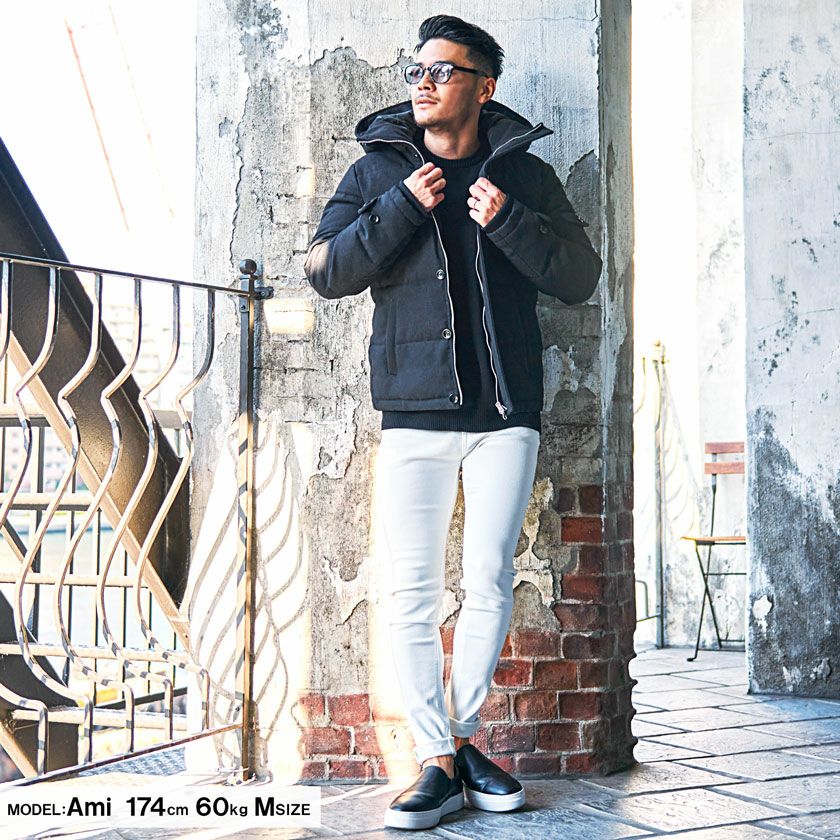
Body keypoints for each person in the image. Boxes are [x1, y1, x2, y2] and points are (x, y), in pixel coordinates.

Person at [305, 13, 602, 831]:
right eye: (418, 70)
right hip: (414, 414)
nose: (425, 82)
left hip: (506, 413)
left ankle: (458, 742)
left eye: (443, 70)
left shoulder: (525, 176)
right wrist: (401, 206)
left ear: (484, 85)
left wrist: (507, 219)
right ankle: (440, 758)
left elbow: (579, 277)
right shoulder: (379, 171)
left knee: (490, 582)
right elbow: (326, 269)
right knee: (410, 592)